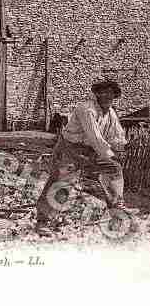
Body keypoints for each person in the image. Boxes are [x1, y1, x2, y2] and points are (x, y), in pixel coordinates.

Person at [35, 79, 129, 237]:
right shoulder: (86, 109)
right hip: (70, 149)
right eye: (104, 93)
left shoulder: (111, 113)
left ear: (114, 96)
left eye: (111, 94)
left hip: (92, 151)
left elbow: (117, 135)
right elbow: (95, 137)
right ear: (97, 94)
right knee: (63, 182)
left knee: (113, 169)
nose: (107, 97)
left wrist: (123, 146)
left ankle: (116, 207)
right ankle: (42, 221)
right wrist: (110, 154)